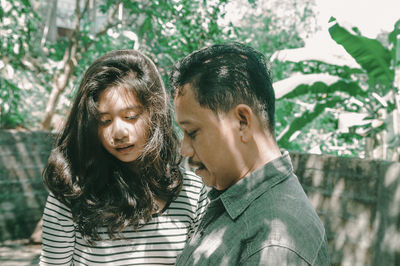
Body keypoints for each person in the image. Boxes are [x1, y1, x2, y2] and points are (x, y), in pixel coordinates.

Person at [40, 50, 208, 265]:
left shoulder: (192, 192)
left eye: (130, 117)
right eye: (104, 120)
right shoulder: (71, 193)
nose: (119, 132)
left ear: (154, 113)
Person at [170, 42, 330, 265]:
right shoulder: (235, 200)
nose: (184, 149)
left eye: (192, 132)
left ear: (242, 122)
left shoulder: (273, 245)